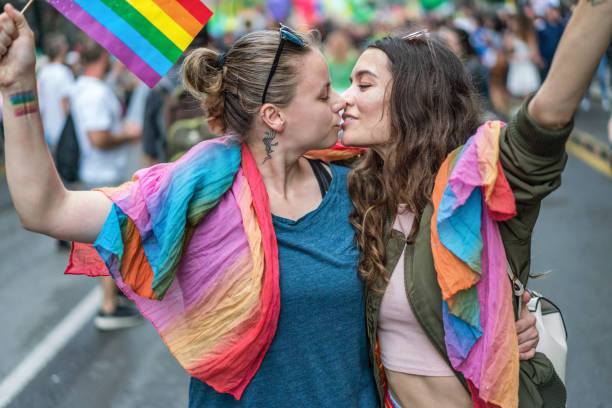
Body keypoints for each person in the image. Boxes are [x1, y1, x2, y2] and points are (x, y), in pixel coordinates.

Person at [0, 7, 541, 407]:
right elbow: (44, 208)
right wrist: (18, 85)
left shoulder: (359, 185)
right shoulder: (195, 191)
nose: (340, 101)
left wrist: (498, 319)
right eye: (324, 92)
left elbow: (438, 264)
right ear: (275, 117)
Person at [341, 0, 612, 406]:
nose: (344, 98)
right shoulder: (358, 191)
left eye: (363, 85)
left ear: (414, 98)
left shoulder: (482, 183)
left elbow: (547, 119)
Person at [69, 37, 143, 330]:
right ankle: (108, 307)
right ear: (102, 58)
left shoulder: (82, 89)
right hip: (103, 176)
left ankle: (115, 298)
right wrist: (129, 135)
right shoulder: (95, 93)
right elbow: (98, 138)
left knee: (112, 241)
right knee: (108, 243)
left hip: (97, 173)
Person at [36, 33, 73, 149]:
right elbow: (65, 103)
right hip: (62, 130)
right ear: (62, 49)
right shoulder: (64, 72)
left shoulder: (43, 72)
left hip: (47, 129)